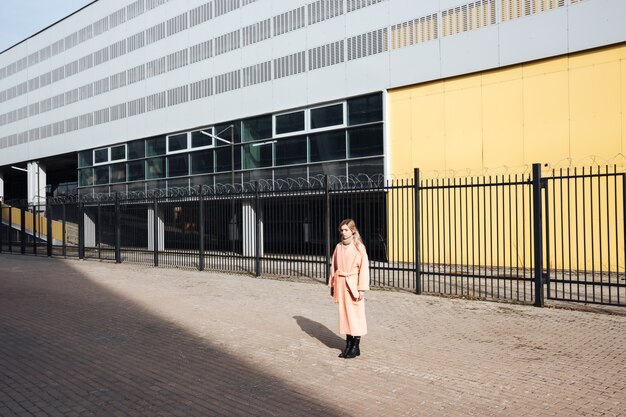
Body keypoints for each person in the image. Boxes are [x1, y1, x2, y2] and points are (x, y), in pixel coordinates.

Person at [328, 219, 369, 359]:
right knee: (345, 315)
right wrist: (332, 285)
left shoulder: (359, 247)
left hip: (353, 285)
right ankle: (348, 344)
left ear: (352, 230)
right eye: (342, 230)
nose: (343, 232)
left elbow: (364, 269)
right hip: (341, 284)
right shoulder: (338, 247)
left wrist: (362, 288)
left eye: (346, 229)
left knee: (355, 316)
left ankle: (356, 346)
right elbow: (334, 267)